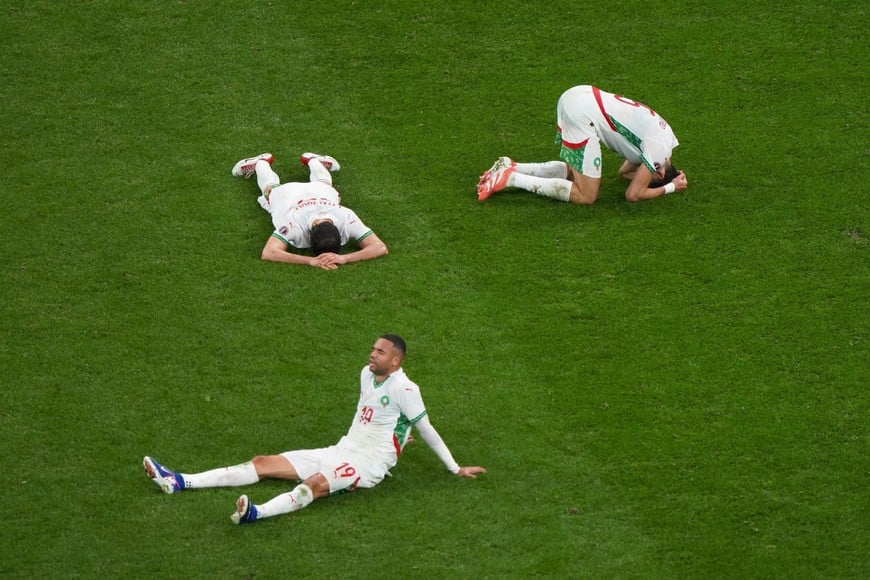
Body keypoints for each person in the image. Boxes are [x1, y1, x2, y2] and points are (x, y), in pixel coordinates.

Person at [143, 334, 486, 524]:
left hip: (368, 465)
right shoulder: (366, 374)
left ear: (396, 361)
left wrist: (454, 467)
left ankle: (256, 514)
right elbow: (378, 418)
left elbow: (425, 428)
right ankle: (179, 480)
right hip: (340, 449)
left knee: (317, 485)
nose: (372, 354)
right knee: (263, 462)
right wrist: (398, 438)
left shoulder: (406, 389)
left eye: (380, 352)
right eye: (372, 348)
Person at [477, 85, 688, 205]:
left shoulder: (666, 138)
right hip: (581, 114)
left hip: (580, 96)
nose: (643, 176)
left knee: (577, 172)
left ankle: (511, 166)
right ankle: (510, 179)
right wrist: (670, 187)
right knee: (587, 195)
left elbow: (624, 173)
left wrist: (649, 177)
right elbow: (633, 194)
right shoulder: (658, 152)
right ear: (660, 173)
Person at [231, 152, 388, 269]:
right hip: (289, 195)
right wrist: (311, 260)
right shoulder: (295, 225)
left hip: (316, 193)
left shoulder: (346, 217)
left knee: (324, 184)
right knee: (270, 190)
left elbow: (380, 248)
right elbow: (268, 253)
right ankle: (262, 162)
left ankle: (311, 160)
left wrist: (344, 258)